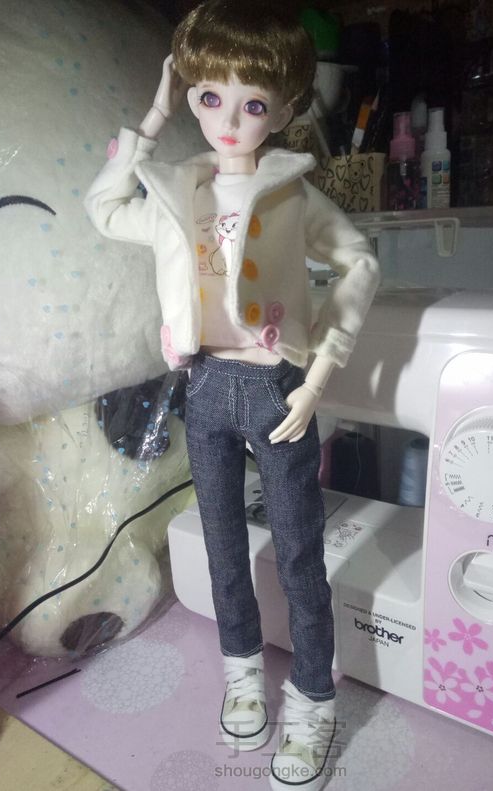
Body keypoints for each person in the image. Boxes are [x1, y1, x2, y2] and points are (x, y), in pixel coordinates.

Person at [85, 2, 380, 788]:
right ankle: (241, 672)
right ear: (189, 94)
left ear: (282, 112)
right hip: (204, 385)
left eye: (252, 104)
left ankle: (313, 699)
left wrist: (318, 375)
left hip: (278, 388)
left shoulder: (291, 195)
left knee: (298, 555)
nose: (227, 118)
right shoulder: (175, 191)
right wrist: (150, 120)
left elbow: (360, 261)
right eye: (209, 96)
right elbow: (104, 209)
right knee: (222, 545)